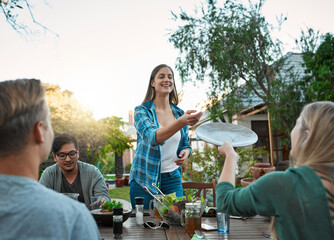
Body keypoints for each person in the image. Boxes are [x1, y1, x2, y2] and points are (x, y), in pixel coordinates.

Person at [216, 101, 334, 239]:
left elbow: (225, 201)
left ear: (306, 136)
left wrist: (231, 156)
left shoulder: (285, 184)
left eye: (296, 124)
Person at [0, 79, 100, 240]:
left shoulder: (90, 174)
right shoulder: (72, 218)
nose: (67, 158)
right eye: (50, 123)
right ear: (39, 131)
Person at [129, 64, 203, 209]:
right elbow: (153, 137)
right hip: (144, 179)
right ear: (152, 83)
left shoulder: (179, 113)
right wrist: (181, 122)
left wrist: (186, 152)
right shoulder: (142, 111)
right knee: (145, 226)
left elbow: (185, 144)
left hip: (172, 179)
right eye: (161, 76)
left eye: (170, 77)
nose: (166, 80)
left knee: (176, 221)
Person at [40, 133, 111, 209]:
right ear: (54, 156)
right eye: (62, 155)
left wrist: (103, 201)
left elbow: (103, 196)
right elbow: (40, 200)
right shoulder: (49, 174)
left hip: (89, 219)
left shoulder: (93, 172)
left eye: (72, 153)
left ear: (78, 152)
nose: (68, 159)